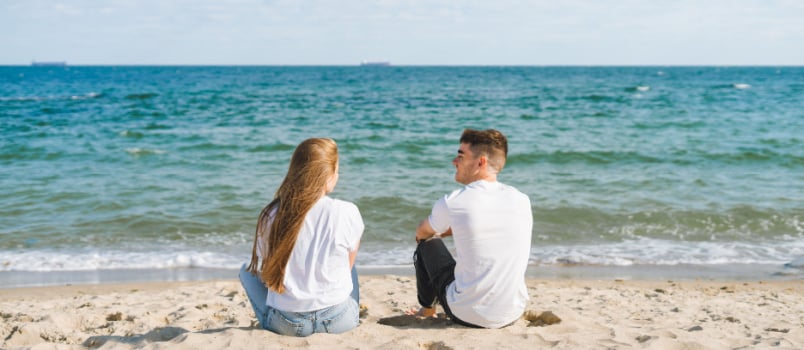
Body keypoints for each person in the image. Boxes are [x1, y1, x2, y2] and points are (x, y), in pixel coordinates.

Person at [239, 138, 364, 337]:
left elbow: (267, 272)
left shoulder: (271, 214)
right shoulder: (347, 211)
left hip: (287, 323)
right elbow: (347, 266)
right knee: (351, 268)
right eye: (337, 170)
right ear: (328, 176)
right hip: (338, 320)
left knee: (246, 271)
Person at [409, 129, 533, 328]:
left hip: (467, 314)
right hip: (512, 311)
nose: (454, 162)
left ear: (481, 162)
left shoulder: (454, 201)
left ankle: (427, 309)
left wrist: (440, 233)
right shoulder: (521, 199)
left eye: (460, 156)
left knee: (427, 242)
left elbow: (422, 232)